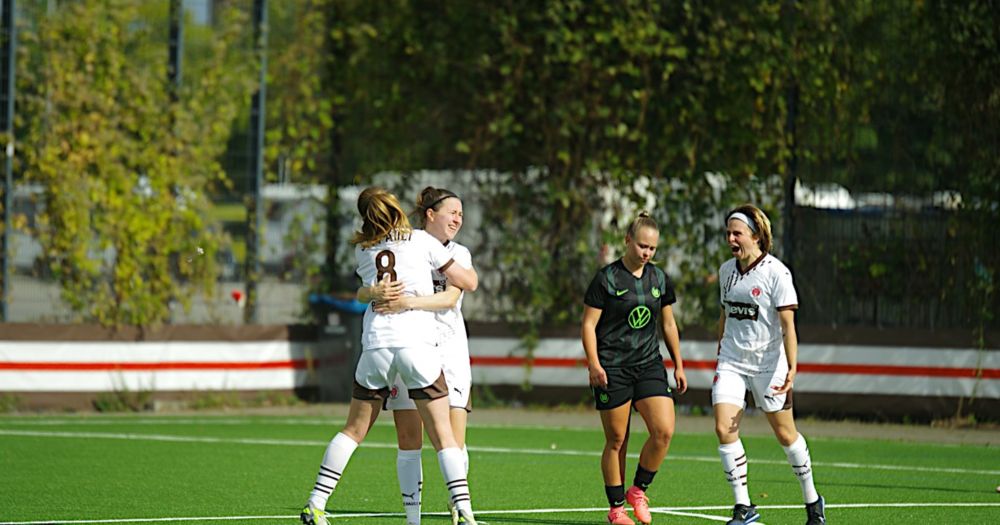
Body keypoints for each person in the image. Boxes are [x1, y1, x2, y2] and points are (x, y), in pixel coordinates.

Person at [299, 186, 480, 525]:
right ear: (397, 208)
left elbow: (363, 290)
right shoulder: (423, 242)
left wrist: (371, 292)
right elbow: (467, 281)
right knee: (443, 435)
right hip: (417, 346)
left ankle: (316, 501)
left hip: (377, 347)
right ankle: (464, 511)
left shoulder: (365, 250)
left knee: (353, 430)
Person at [361, 187, 475, 525]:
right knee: (409, 437)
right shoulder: (406, 244)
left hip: (449, 349)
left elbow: (455, 294)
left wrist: (407, 302)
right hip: (410, 344)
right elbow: (370, 286)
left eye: (461, 214)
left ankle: (460, 510)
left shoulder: (459, 253)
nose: (458, 218)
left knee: (452, 437)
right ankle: (414, 517)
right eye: (452, 212)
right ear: (430, 214)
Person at [712, 204, 826, 525]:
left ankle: (812, 501)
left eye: (737, 233)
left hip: (768, 365)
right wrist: (720, 346)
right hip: (731, 362)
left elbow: (788, 325)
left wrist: (792, 368)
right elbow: (725, 314)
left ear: (756, 235)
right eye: (728, 233)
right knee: (724, 428)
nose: (731, 238)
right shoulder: (726, 271)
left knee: (786, 435)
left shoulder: (777, 273)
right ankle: (743, 507)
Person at [581, 211, 688, 525]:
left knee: (664, 431)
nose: (646, 253)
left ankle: (638, 490)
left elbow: (668, 324)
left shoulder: (659, 278)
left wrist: (679, 365)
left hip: (648, 364)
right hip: (612, 368)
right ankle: (616, 509)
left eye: (652, 249)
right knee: (617, 440)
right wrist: (594, 364)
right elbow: (588, 325)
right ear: (627, 241)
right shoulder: (607, 278)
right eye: (642, 246)